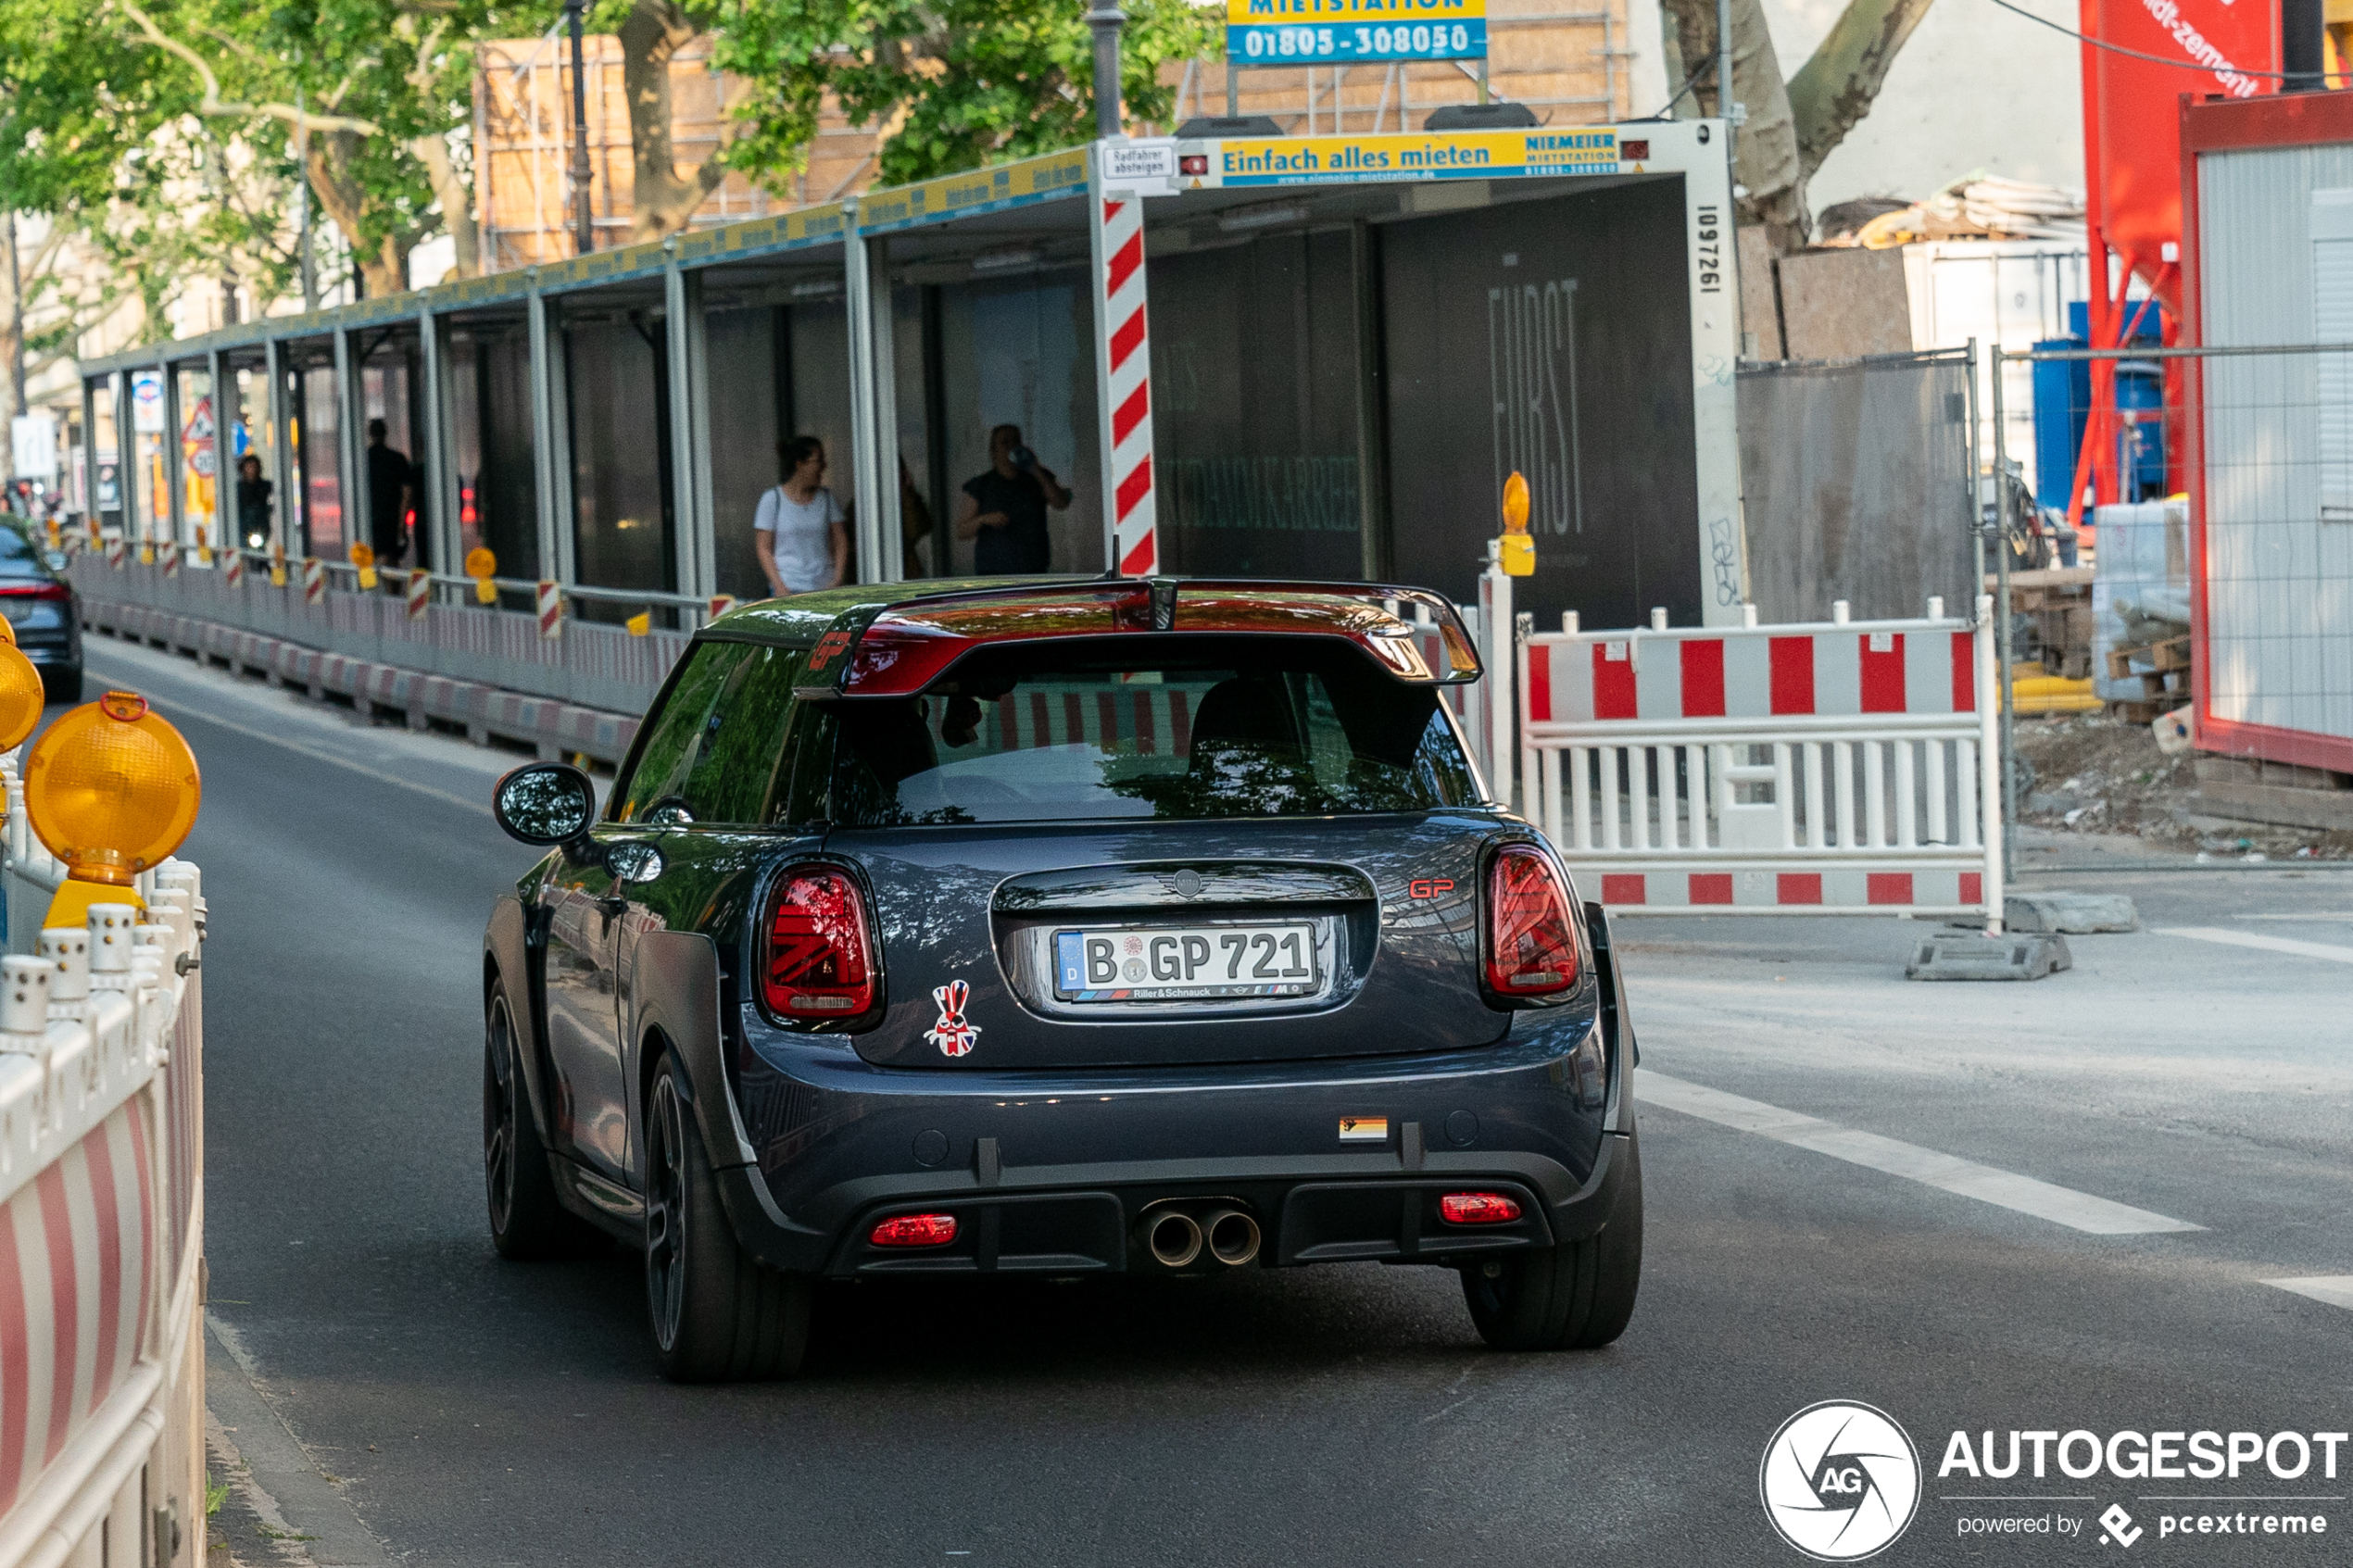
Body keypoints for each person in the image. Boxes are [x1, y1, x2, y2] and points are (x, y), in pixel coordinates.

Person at [955, 424, 1070, 575]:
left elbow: (1060, 503)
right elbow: (962, 531)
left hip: (1033, 569)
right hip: (993, 571)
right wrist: (984, 519)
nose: (1011, 447)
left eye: (1015, 442)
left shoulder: (1036, 479)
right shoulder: (981, 485)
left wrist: (1035, 469)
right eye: (1005, 443)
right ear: (993, 450)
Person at [755, 435, 848, 597]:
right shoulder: (772, 499)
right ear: (800, 465)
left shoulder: (826, 500)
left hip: (823, 587)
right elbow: (763, 547)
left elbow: (840, 540)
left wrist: (837, 579)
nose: (823, 467)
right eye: (818, 461)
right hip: (789, 587)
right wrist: (779, 585)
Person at [364, 418, 416, 570]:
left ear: (370, 434)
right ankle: (392, 593)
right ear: (385, 434)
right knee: (391, 563)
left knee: (369, 564)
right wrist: (401, 526)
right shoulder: (397, 459)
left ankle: (371, 591)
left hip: (370, 519)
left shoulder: (363, 460)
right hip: (391, 520)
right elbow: (407, 493)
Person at [234, 455, 273, 549]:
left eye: (254, 467)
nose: (252, 470)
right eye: (249, 467)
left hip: (261, 526)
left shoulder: (266, 486)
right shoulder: (238, 488)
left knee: (261, 552)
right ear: (243, 469)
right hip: (243, 528)